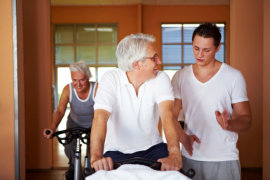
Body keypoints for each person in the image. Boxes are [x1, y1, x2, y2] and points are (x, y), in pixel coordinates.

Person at [90, 33, 187, 172]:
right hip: (116, 151)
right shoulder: (110, 78)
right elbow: (100, 117)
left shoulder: (160, 78)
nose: (159, 61)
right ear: (137, 64)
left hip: (154, 149)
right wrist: (96, 157)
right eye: (154, 58)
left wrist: (175, 155)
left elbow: (167, 116)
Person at [172, 22, 252, 180]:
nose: (199, 54)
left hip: (224, 158)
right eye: (196, 48)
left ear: (217, 48)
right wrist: (183, 138)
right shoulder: (180, 77)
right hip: (191, 156)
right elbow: (170, 117)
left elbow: (246, 120)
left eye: (206, 50)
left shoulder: (234, 77)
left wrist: (229, 124)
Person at [43, 61, 97, 179]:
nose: (78, 84)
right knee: (69, 148)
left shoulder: (97, 88)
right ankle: (73, 167)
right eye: (74, 80)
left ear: (88, 78)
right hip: (74, 122)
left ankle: (90, 170)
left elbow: (102, 112)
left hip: (94, 123)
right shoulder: (68, 89)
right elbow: (60, 111)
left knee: (94, 151)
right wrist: (52, 128)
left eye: (81, 80)